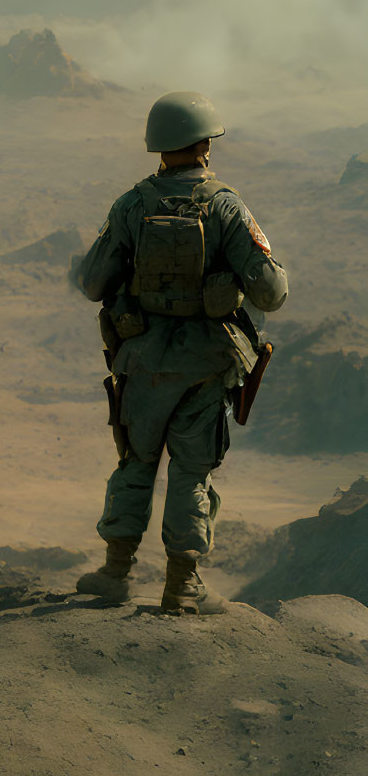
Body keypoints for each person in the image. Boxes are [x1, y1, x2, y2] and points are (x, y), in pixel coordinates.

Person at [73, 90, 288, 613]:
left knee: (135, 461)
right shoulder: (226, 207)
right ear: (203, 145)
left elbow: (94, 280)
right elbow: (271, 294)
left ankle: (114, 574)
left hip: (142, 362)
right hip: (205, 366)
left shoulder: (130, 204)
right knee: (192, 473)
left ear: (159, 147)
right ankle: (182, 586)